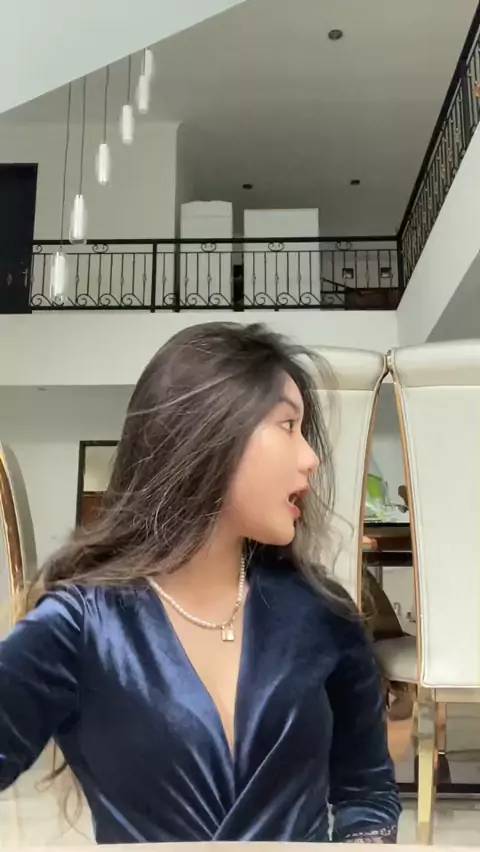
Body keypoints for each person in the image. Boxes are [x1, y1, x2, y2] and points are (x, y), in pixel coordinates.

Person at [0, 323, 401, 844]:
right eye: (288, 425)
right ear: (211, 432)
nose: (311, 458)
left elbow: (366, 794)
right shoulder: (82, 625)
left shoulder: (322, 614)